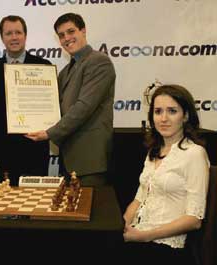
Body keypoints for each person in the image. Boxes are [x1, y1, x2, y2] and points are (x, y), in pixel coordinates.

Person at [26, 13, 116, 189]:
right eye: (61, 35)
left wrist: (49, 133)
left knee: (89, 213)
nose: (66, 38)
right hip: (69, 159)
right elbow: (52, 107)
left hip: (89, 160)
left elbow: (84, 107)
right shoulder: (65, 71)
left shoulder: (99, 62)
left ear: (83, 31)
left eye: (71, 31)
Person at [122, 84, 210, 265]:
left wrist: (144, 236)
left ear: (185, 116)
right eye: (158, 111)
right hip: (139, 238)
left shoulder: (195, 154)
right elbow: (139, 199)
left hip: (167, 248)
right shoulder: (153, 152)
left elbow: (194, 220)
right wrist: (121, 227)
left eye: (172, 111)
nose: (163, 118)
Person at [0, 15, 51, 186]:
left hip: (35, 147)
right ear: (2, 38)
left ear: (25, 36)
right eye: (9, 33)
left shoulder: (43, 66)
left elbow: (49, 105)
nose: (14, 37)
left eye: (18, 32)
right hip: (5, 149)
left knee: (37, 203)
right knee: (7, 203)